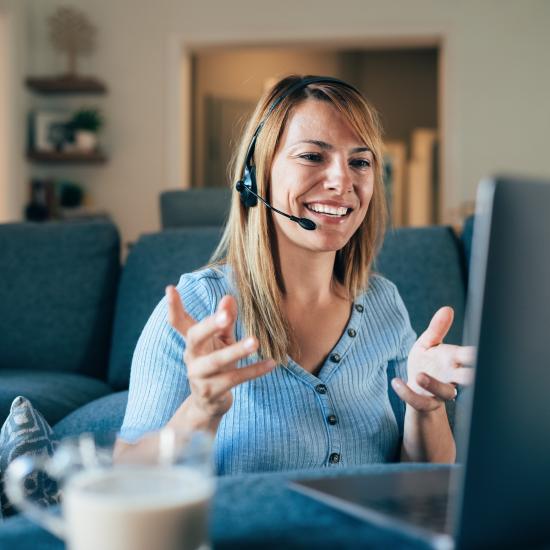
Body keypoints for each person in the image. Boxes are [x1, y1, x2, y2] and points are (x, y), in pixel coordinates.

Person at [116, 75, 473, 473]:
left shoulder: (382, 302)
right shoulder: (198, 306)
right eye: (312, 156)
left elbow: (424, 476)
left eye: (360, 161)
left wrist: (426, 407)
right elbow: (125, 477)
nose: (342, 181)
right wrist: (200, 410)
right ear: (256, 175)